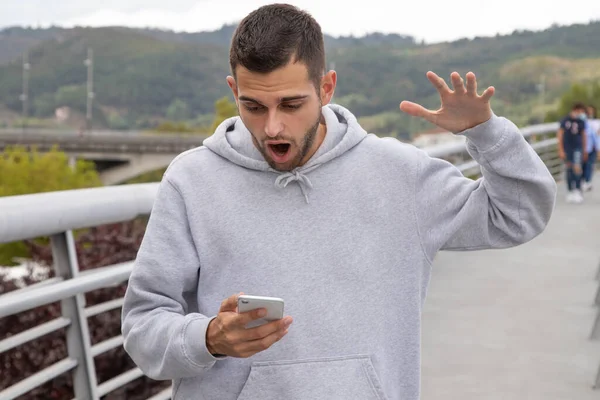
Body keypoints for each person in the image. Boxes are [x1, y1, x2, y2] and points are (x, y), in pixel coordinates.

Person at [121, 4, 557, 400]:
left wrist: (487, 133)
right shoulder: (191, 180)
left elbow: (517, 216)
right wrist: (209, 337)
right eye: (252, 105)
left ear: (326, 88)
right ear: (233, 89)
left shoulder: (399, 173)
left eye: (291, 104)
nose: (272, 127)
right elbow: (142, 326)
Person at [558, 103, 588, 203]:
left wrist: (585, 150)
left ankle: (578, 190)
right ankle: (570, 190)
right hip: (567, 149)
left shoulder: (581, 121)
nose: (580, 114)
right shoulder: (565, 120)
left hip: (577, 148)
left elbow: (584, 135)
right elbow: (560, 135)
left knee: (577, 169)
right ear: (574, 110)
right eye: (579, 111)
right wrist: (561, 149)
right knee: (569, 169)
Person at [582, 105, 599, 191]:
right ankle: (584, 181)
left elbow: (598, 136)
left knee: (589, 165)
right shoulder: (582, 121)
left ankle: (587, 181)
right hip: (584, 147)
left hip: (593, 147)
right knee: (584, 165)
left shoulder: (597, 122)